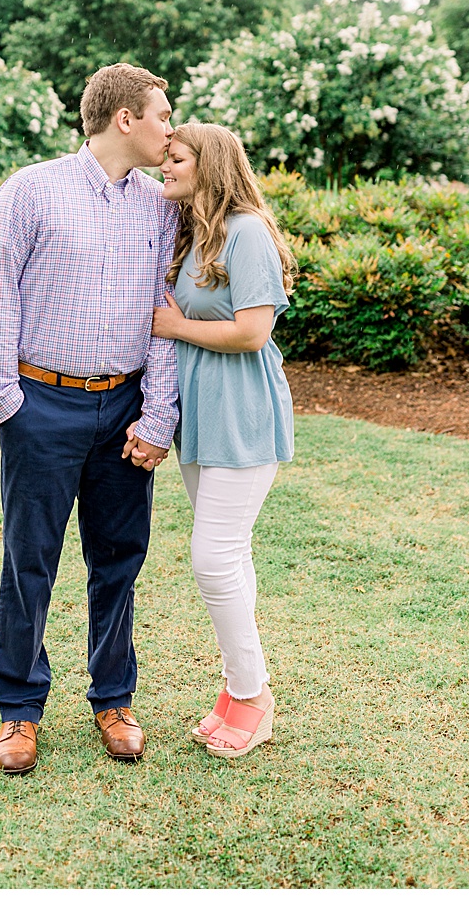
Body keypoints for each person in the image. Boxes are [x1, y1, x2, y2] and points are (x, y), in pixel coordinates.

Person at [0, 63, 180, 775]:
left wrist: (157, 416)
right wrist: (6, 403)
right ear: (125, 118)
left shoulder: (162, 206)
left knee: (119, 558)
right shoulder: (31, 190)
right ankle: (19, 709)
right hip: (41, 404)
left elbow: (165, 318)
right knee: (30, 560)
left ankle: (113, 698)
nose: (169, 127)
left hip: (124, 407)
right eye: (161, 113)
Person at [147, 122, 297, 760]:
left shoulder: (247, 233)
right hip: (202, 418)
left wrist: (176, 326)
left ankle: (253, 694)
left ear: (207, 166)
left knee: (213, 558)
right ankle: (238, 694)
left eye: (175, 160)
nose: (165, 169)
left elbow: (252, 333)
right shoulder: (196, 234)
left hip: (243, 415)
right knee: (229, 557)